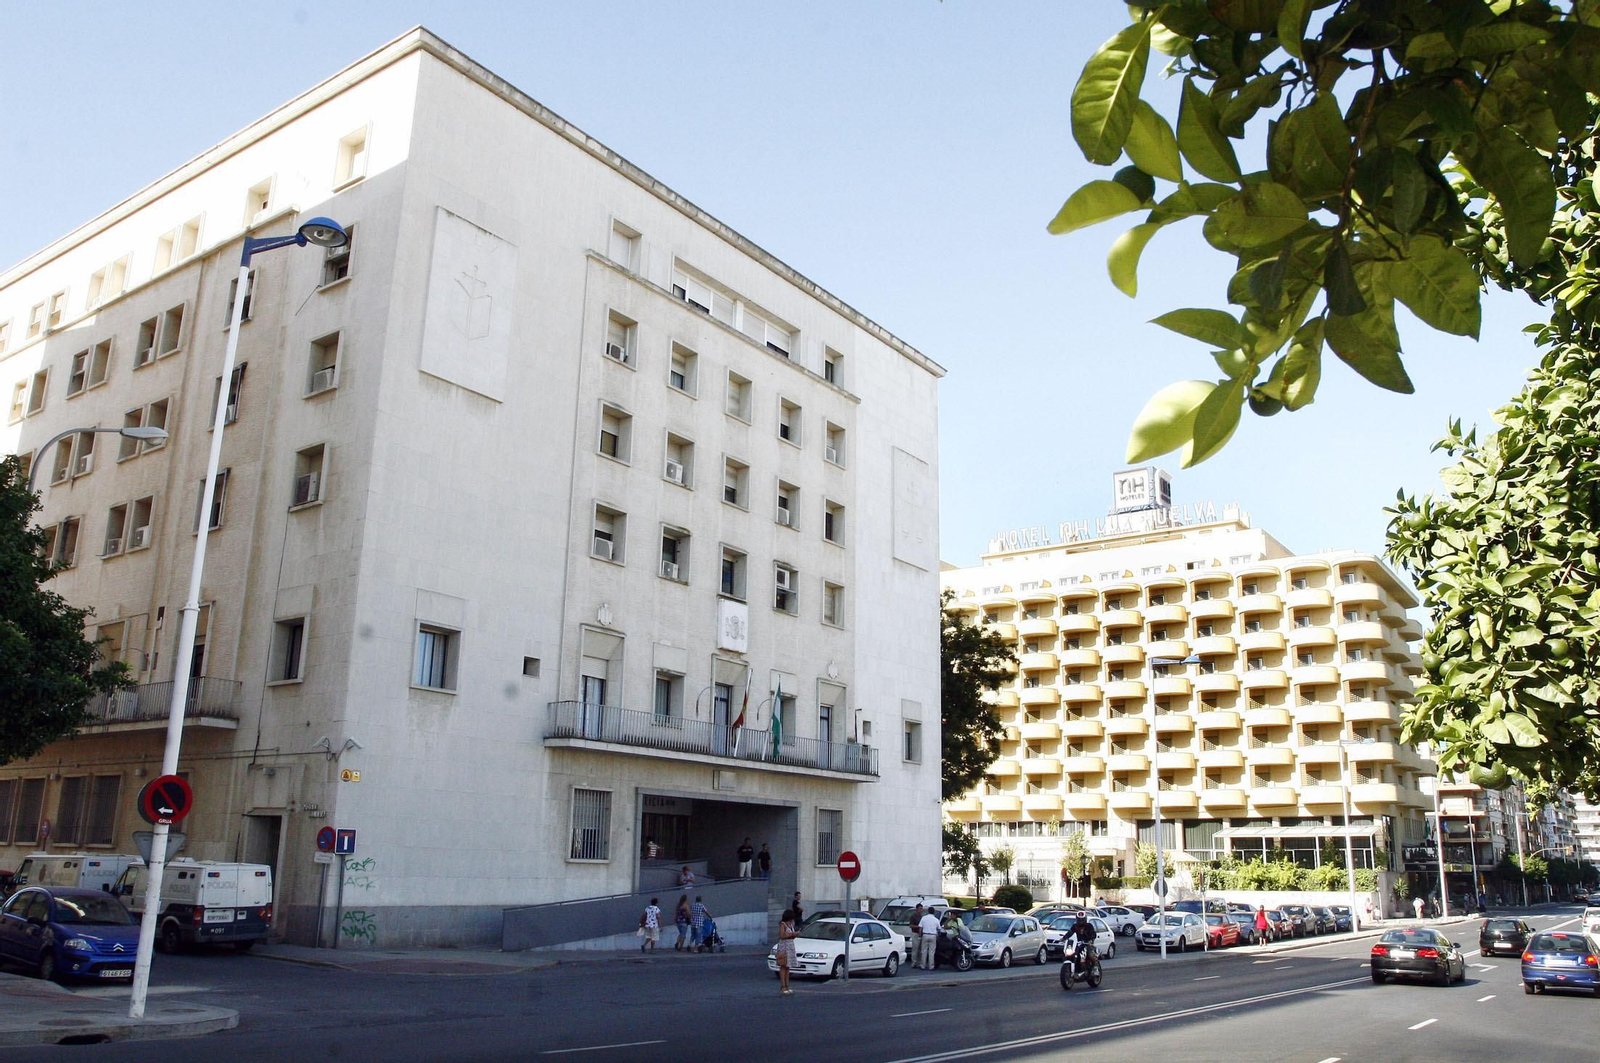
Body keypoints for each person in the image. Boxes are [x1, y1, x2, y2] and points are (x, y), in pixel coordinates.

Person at [775, 908, 798, 995]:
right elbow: (782, 936)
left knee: (788, 967)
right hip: (784, 947)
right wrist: (792, 934)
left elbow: (791, 936)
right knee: (783, 966)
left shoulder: (791, 924)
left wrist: (795, 935)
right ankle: (783, 986)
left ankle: (787, 986)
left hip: (790, 946)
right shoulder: (783, 924)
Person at [916, 906, 940, 971]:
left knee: (923, 951)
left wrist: (920, 935)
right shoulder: (936, 920)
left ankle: (922, 965)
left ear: (928, 911)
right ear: (934, 912)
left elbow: (920, 928)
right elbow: (938, 929)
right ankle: (931, 966)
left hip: (925, 935)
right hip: (933, 935)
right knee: (931, 952)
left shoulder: (924, 918)